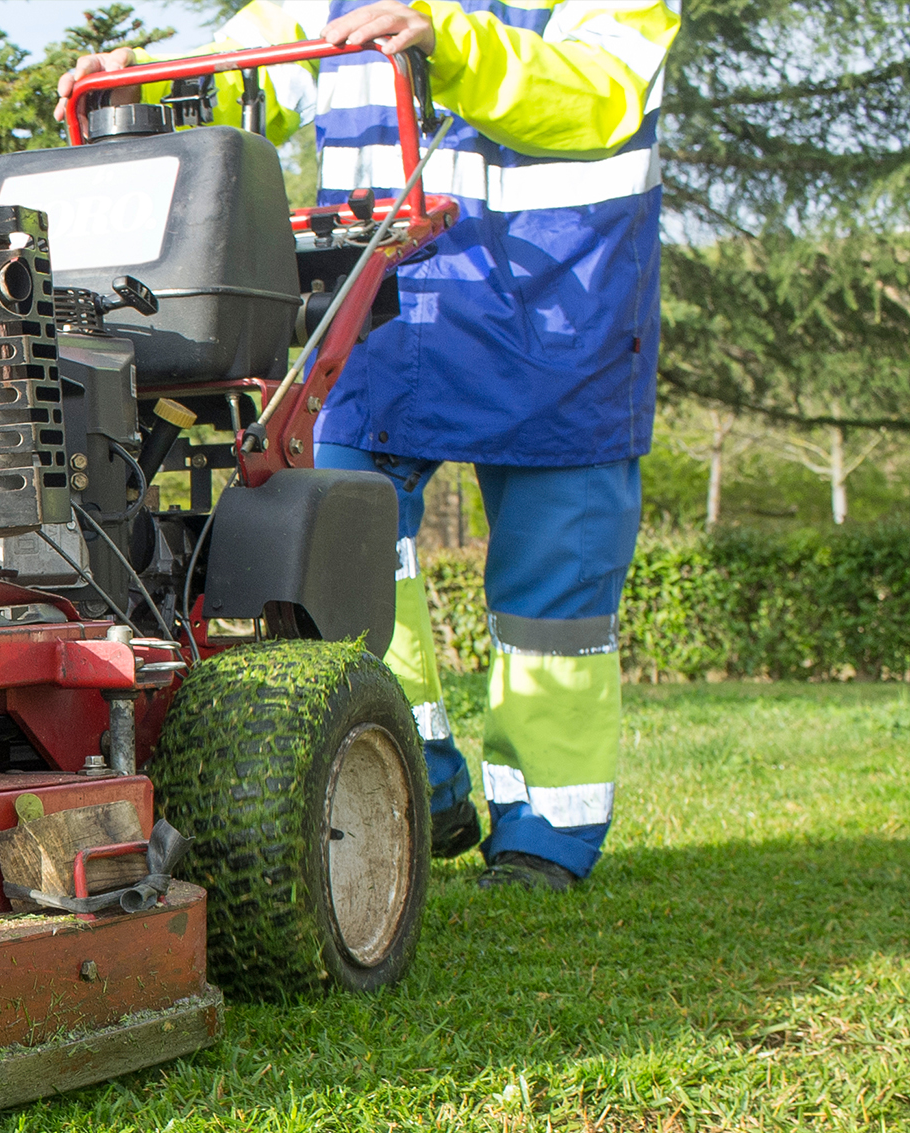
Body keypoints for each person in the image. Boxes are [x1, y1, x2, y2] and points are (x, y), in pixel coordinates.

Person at [59, 0, 679, 889]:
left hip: (562, 323)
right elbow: (250, 71)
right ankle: (412, 778)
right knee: (341, 564)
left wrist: (451, 39)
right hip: (382, 314)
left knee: (554, 610)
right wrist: (152, 80)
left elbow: (602, 96)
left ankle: (546, 836)